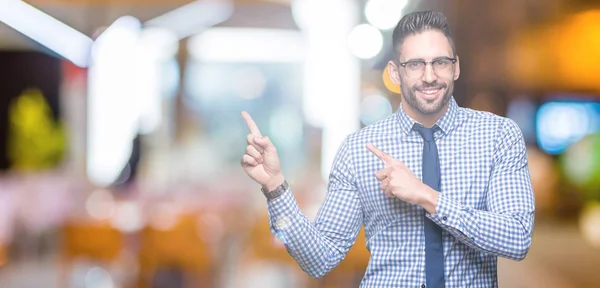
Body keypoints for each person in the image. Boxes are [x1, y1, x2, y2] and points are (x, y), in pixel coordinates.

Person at [240, 10, 535, 288]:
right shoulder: (359, 149)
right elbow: (320, 259)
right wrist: (275, 185)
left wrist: (427, 196)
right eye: (415, 64)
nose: (429, 76)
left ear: (455, 67)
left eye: (440, 62)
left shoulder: (499, 135)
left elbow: (517, 238)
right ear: (395, 73)